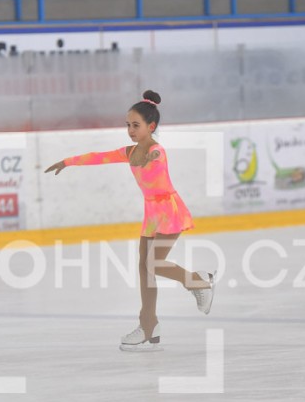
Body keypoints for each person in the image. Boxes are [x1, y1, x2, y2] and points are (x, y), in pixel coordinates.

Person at [45, 90, 215, 351]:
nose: (130, 130)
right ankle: (148, 325)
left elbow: (158, 159)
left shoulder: (157, 151)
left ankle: (198, 282)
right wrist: (67, 162)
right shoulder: (129, 152)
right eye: (128, 125)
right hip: (151, 214)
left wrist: (152, 158)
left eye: (136, 125)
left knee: (154, 263)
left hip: (169, 211)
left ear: (151, 126)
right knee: (144, 268)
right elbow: (98, 157)